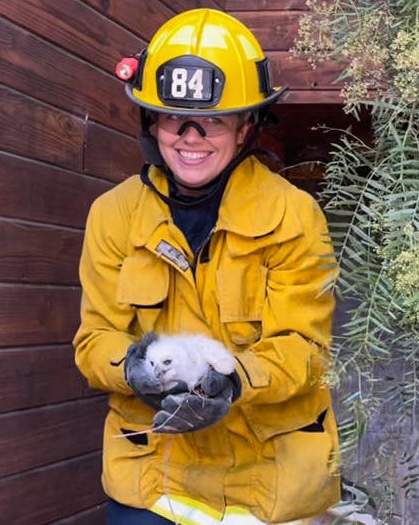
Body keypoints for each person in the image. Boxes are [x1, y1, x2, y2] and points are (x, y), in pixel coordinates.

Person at [72, 8, 341, 525]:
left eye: (213, 119)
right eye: (173, 117)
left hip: (267, 485)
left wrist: (233, 381)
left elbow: (306, 349)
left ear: (246, 127)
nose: (190, 136)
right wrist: (132, 367)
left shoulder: (294, 217)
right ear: (151, 120)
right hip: (151, 477)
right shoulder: (114, 215)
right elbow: (94, 340)